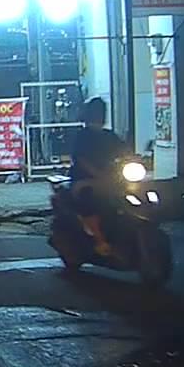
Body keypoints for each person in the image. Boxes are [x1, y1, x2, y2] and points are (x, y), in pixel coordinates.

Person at [69, 97, 129, 256]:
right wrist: (98, 174)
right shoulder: (83, 136)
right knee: (90, 200)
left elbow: (124, 151)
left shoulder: (109, 136)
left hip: (110, 179)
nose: (101, 115)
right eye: (98, 112)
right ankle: (99, 240)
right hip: (84, 179)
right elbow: (80, 159)